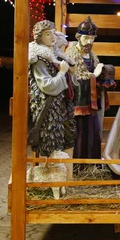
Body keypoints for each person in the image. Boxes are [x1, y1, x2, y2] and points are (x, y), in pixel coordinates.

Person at [28, 20, 76, 177]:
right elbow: (47, 86)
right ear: (39, 37)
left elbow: (70, 81)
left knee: (68, 138)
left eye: (53, 33)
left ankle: (68, 180)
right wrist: (62, 73)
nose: (52, 37)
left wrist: (70, 72)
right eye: (47, 34)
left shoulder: (56, 57)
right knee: (49, 143)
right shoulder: (39, 60)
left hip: (62, 106)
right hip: (49, 110)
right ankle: (47, 180)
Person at [65, 16, 105, 161]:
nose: (89, 42)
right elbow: (73, 79)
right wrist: (94, 75)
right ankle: (77, 165)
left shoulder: (92, 56)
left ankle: (91, 164)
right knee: (79, 133)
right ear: (79, 37)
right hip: (78, 104)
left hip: (91, 103)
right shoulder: (71, 54)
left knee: (92, 132)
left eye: (92, 39)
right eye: (86, 38)